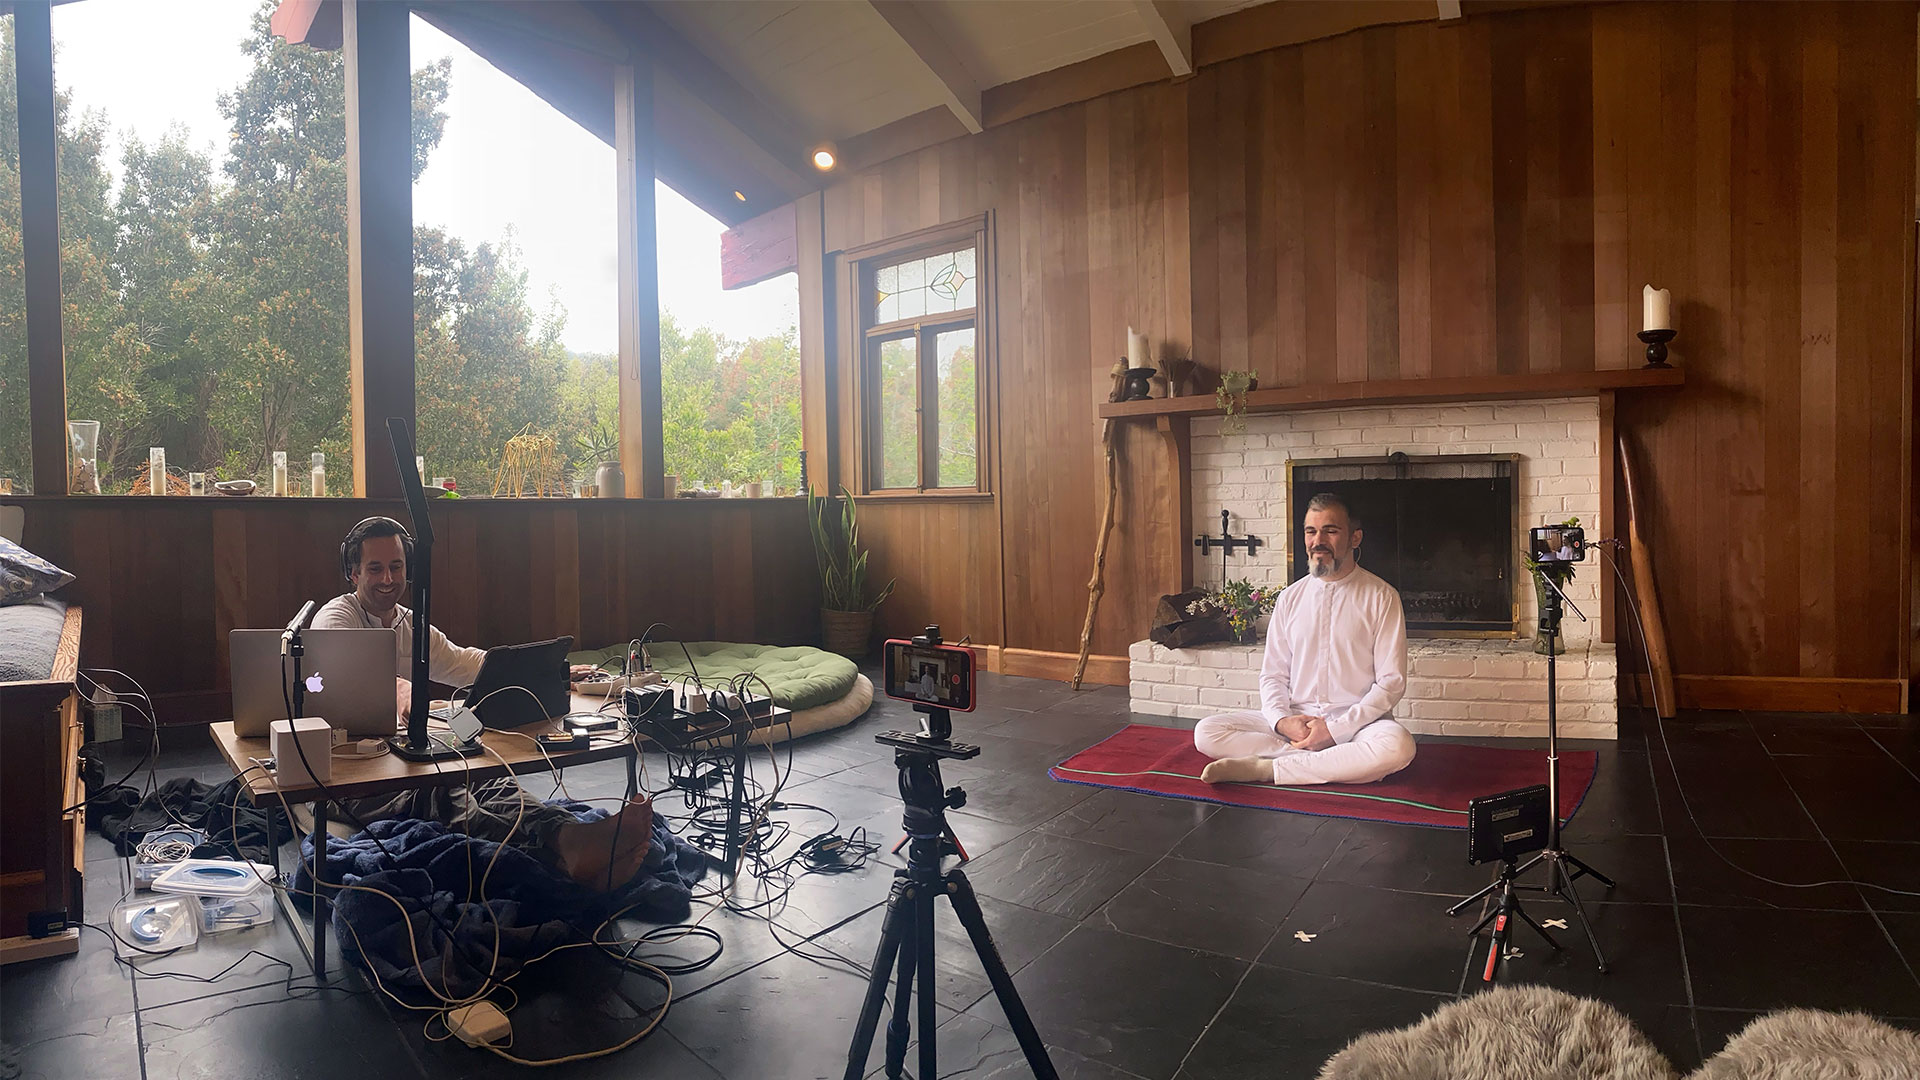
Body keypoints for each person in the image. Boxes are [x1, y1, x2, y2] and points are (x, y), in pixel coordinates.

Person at [311, 516, 651, 891]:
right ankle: (567, 843)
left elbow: (465, 662)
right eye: (375, 568)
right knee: (444, 789)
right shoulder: (335, 617)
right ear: (353, 573)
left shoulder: (410, 623)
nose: (388, 578)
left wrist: (550, 671)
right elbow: (355, 670)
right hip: (350, 775)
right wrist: (404, 692)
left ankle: (566, 842)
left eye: (396, 566)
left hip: (400, 755)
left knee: (485, 771)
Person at [1194, 493, 1415, 787]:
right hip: (1296, 722)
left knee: (1399, 746)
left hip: (1358, 726)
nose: (1317, 541)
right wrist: (1282, 721)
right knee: (1207, 732)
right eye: (1311, 531)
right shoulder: (1290, 598)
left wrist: (1335, 731)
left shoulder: (1382, 597)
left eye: (1330, 531)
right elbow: (1273, 674)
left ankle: (1268, 769)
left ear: (1355, 537)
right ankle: (1331, 764)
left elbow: (1391, 683)